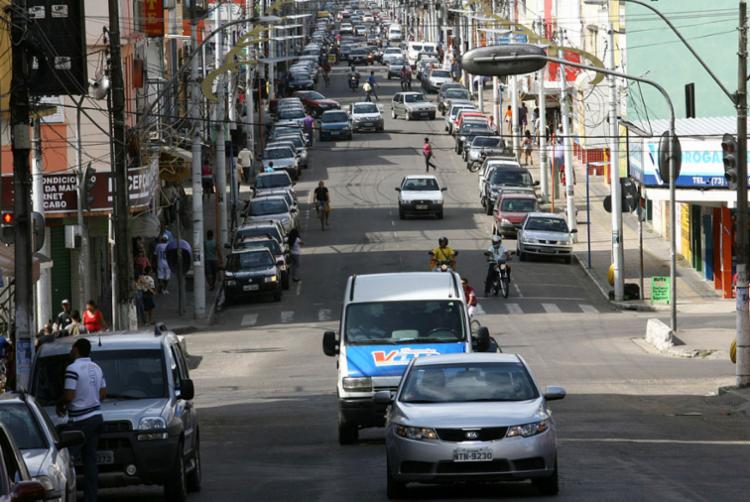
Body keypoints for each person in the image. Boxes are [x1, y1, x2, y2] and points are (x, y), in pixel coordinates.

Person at [58, 338, 106, 502]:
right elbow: (103, 392)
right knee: (90, 462)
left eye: (72, 348)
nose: (70, 351)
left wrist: (62, 403)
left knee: (67, 460)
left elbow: (69, 395)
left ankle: (66, 495)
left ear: (77, 350)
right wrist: (90, 399)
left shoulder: (72, 369)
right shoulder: (97, 367)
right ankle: (91, 497)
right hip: (96, 417)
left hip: (80, 421)